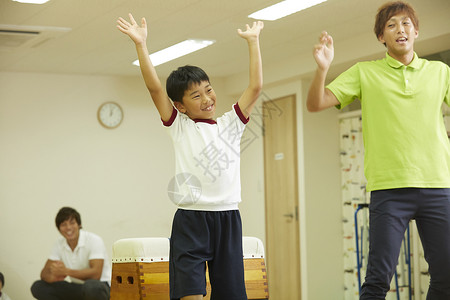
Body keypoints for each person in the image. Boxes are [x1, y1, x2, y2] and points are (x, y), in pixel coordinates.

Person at [307, 1, 450, 299]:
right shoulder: (364, 72)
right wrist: (322, 69)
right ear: (381, 37)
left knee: (447, 276)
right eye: (392, 25)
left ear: (417, 31)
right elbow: (316, 103)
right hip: (389, 189)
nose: (401, 29)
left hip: (437, 185)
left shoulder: (439, 72)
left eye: (406, 23)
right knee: (377, 281)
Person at [117, 13, 263, 300]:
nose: (207, 99)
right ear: (180, 106)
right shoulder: (180, 127)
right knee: (191, 295)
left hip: (227, 218)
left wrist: (253, 42)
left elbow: (255, 87)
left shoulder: (231, 124)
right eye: (196, 96)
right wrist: (141, 45)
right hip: (191, 222)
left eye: (208, 91)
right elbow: (154, 87)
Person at [30, 207, 111, 300]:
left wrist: (65, 271)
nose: (68, 228)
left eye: (72, 223)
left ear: (79, 224)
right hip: (77, 287)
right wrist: (54, 276)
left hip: (101, 287)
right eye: (64, 224)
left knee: (91, 286)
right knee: (38, 286)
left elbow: (96, 275)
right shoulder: (59, 243)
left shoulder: (94, 240)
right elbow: (44, 274)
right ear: (59, 229)